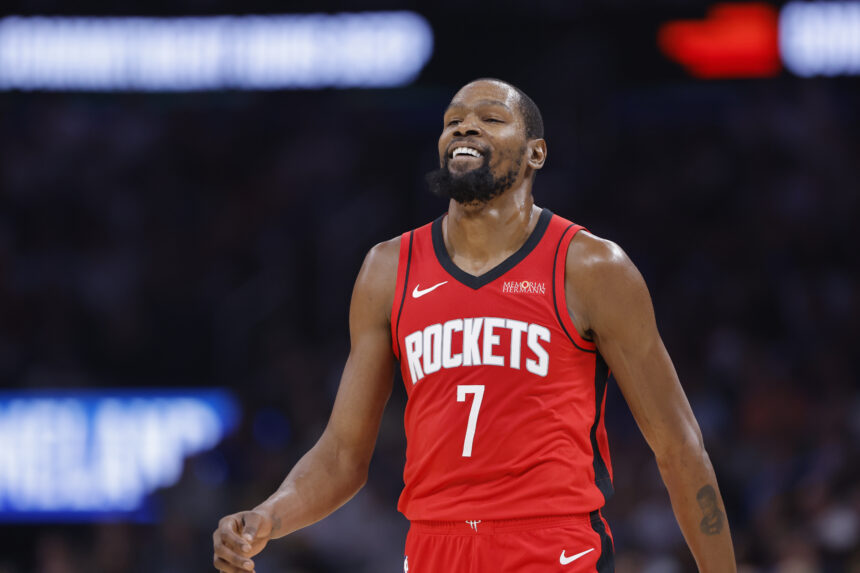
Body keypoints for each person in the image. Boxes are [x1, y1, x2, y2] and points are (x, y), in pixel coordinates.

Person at [212, 78, 736, 572]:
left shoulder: (591, 267)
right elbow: (343, 455)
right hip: (434, 548)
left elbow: (678, 447)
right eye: (453, 120)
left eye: (491, 117)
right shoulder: (388, 269)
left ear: (536, 153)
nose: (465, 126)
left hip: (552, 547)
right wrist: (267, 516)